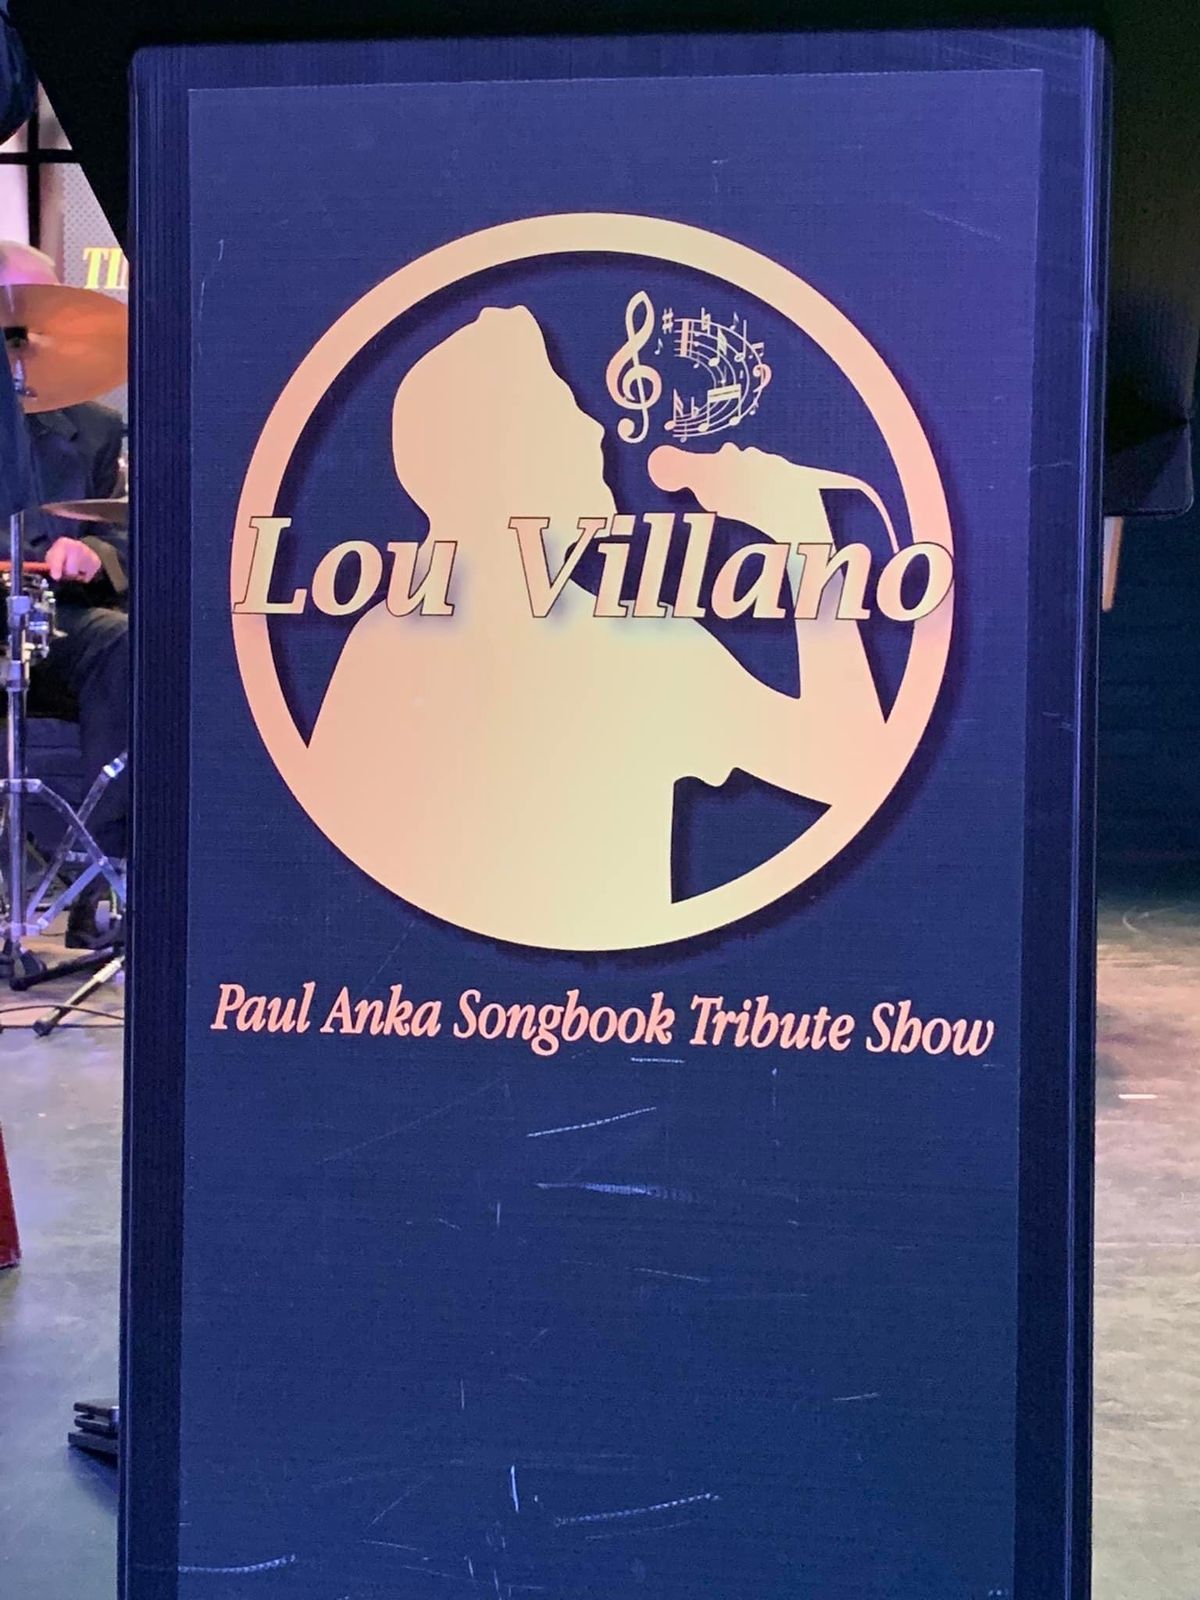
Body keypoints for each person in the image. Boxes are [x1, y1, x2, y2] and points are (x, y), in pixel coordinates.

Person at [305, 304, 886, 949]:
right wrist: (803, 532)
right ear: (500, 458)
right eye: (561, 410)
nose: (594, 430)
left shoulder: (379, 642)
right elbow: (853, 771)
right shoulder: (636, 650)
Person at [0, 242, 127, 946]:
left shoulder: (97, 428)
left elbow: (128, 530)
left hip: (58, 622)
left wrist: (94, 552)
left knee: (125, 642)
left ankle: (102, 876)